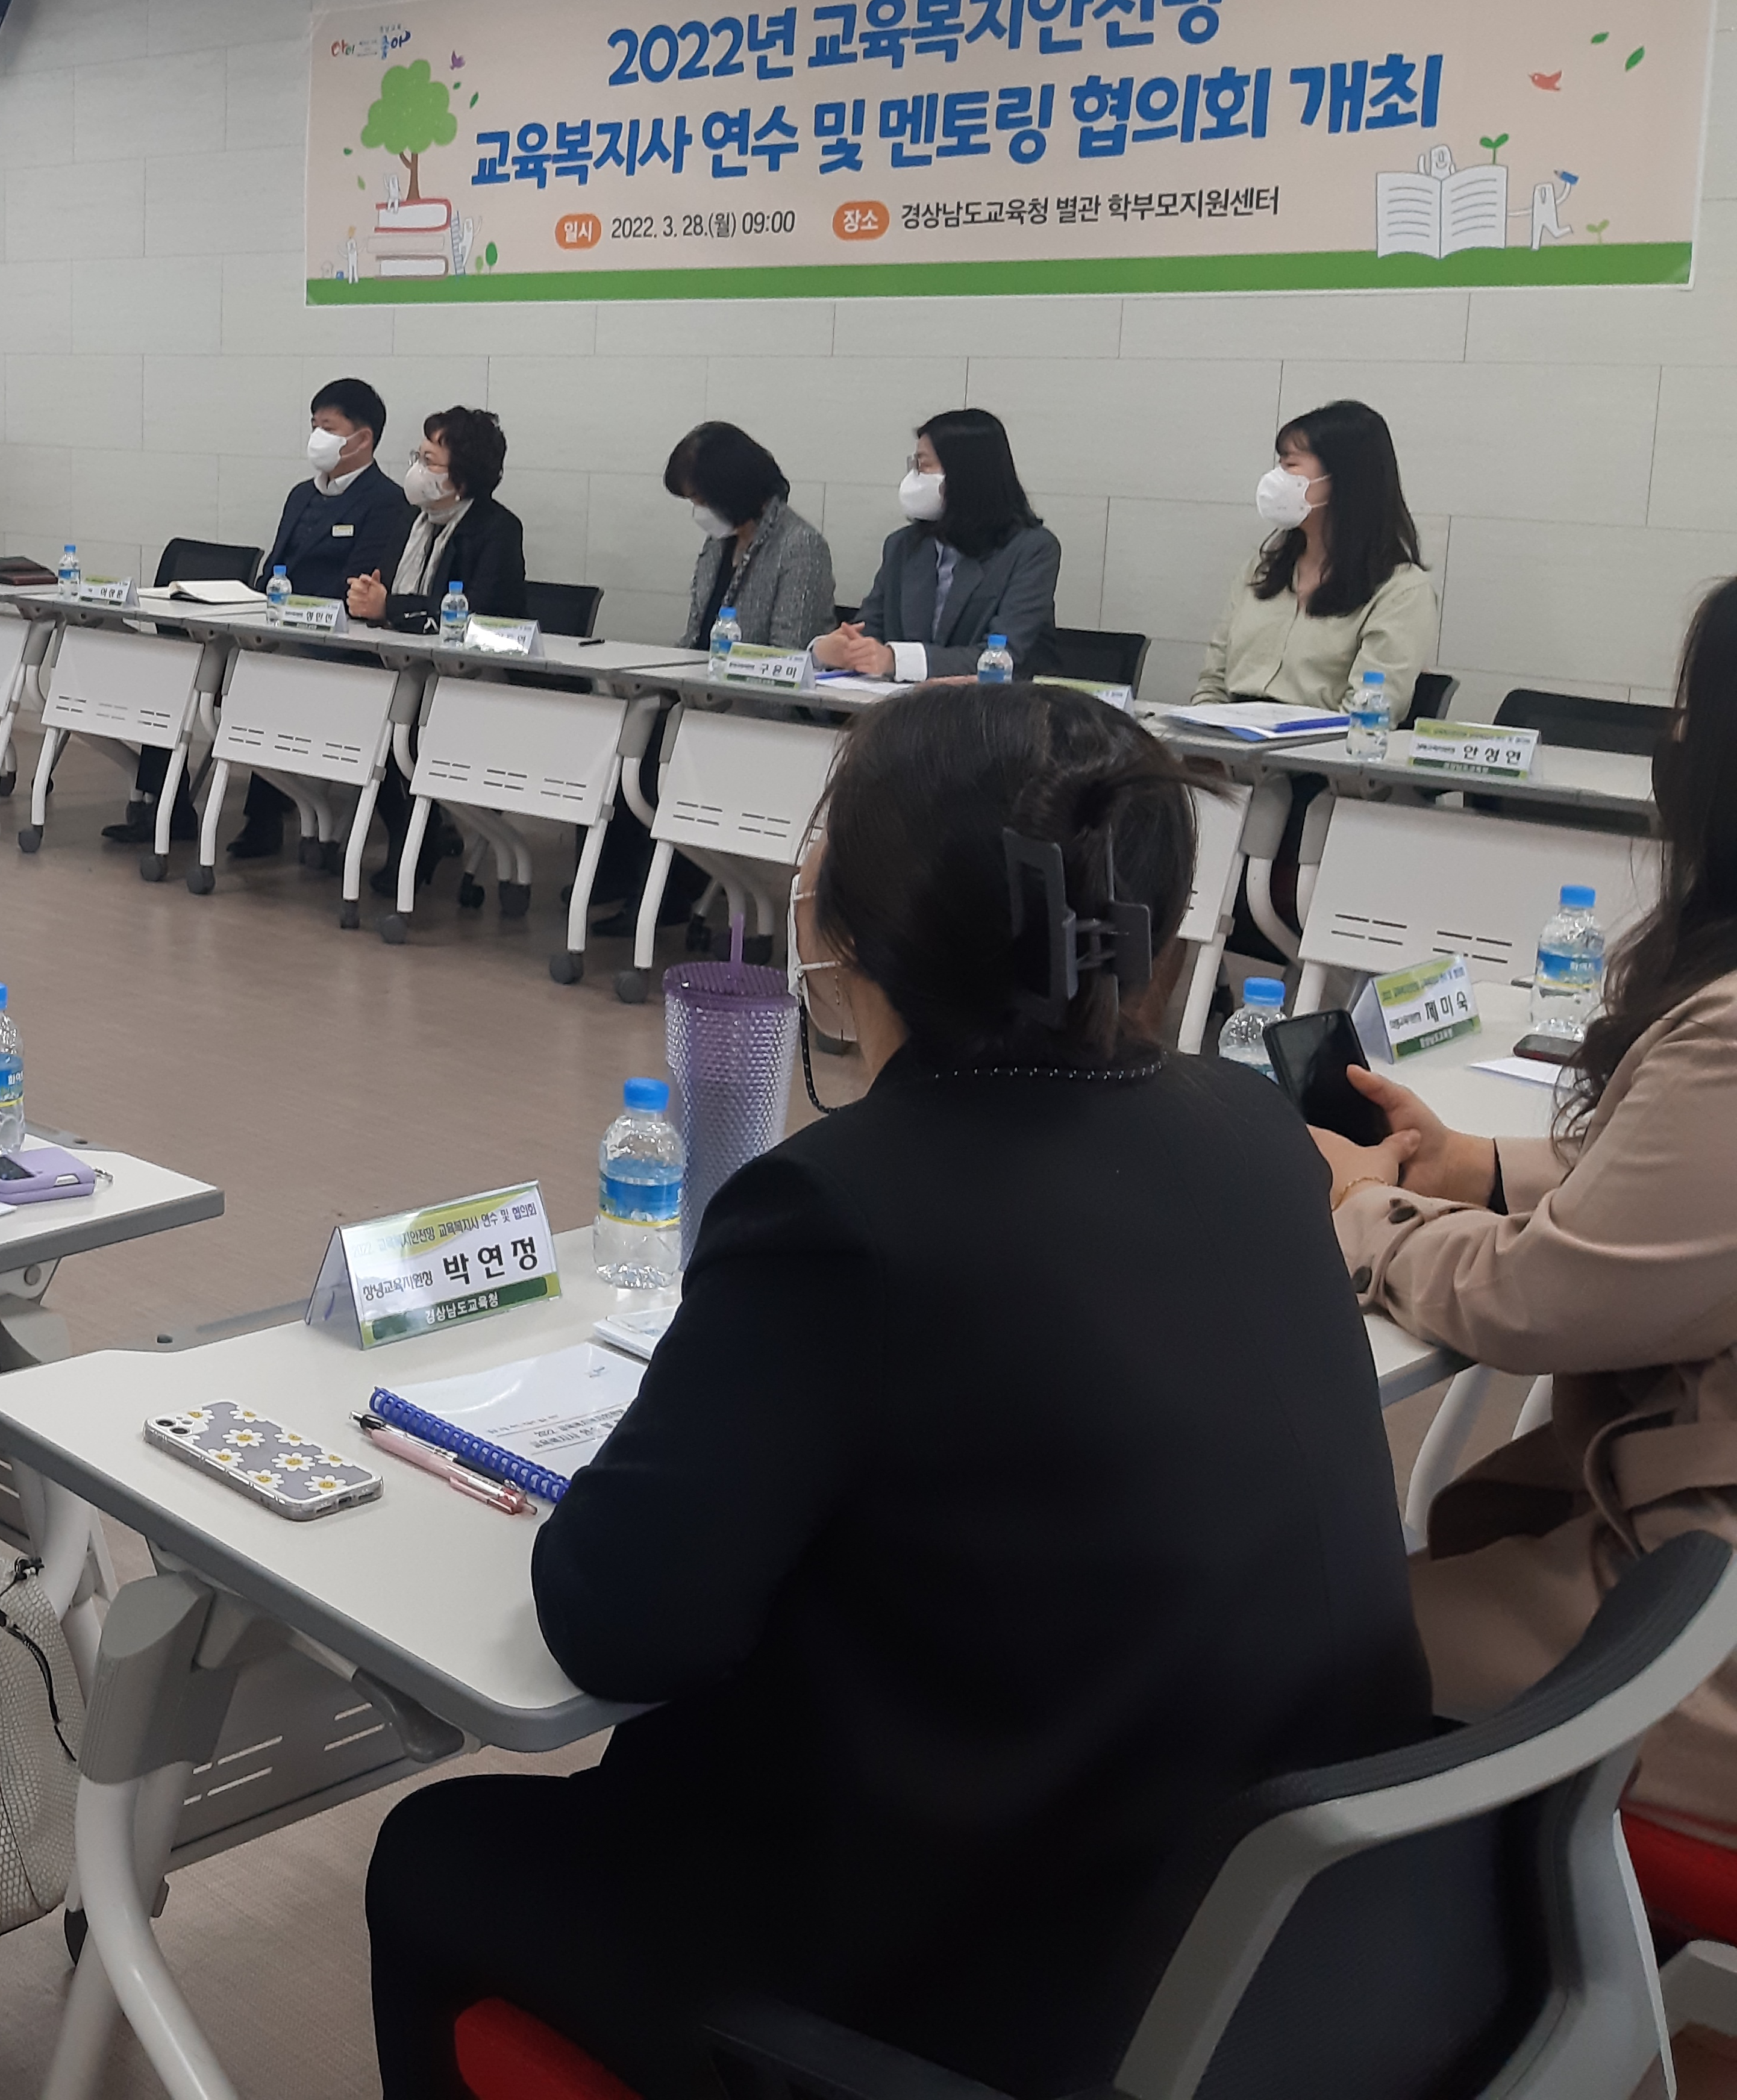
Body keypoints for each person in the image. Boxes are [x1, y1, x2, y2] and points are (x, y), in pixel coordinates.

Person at [368, 686, 1427, 2100]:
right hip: (1285, 1932)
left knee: (437, 1857)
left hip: (983, 1984)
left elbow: (616, 1620)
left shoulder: (839, 1207)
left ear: (836, 921)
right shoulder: (1248, 1123)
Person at [1315, 577, 1737, 1836]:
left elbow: (1536, 1302)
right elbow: (1693, 1191)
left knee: (1269, 1642)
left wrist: (1368, 1215)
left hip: (1700, 1623)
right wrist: (1480, 1170)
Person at [107, 377, 413, 854]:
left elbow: (361, 586)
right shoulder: (301, 494)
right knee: (180, 665)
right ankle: (165, 806)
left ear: (363, 438)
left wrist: (289, 609)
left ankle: (264, 818)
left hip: (335, 645)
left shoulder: (387, 503)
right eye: (314, 426)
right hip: (275, 629)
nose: (317, 438)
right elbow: (276, 568)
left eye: (328, 428)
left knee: (264, 671)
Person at [1192, 399, 1438, 712]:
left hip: (1316, 754)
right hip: (1229, 746)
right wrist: (1203, 744)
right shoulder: (1263, 569)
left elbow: (1367, 713)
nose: (1276, 479)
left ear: (1343, 480)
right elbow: (1212, 681)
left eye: (1291, 465)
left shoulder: (1400, 591)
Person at [812, 408, 1058, 681]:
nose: (914, 477)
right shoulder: (902, 546)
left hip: (994, 713)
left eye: (924, 465)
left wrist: (896, 660)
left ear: (965, 474)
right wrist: (829, 650)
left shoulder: (1032, 549)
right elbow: (869, 629)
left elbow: (1004, 655)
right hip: (903, 710)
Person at [346, 407, 524, 629]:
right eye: (417, 458)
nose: (417, 470)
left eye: (428, 462)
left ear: (462, 479)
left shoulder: (497, 529)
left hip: (462, 661)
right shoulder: (411, 518)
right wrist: (365, 595)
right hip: (395, 650)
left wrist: (388, 606)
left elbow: (478, 614)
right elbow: (382, 585)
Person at [663, 419, 833, 651]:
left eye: (700, 498)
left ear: (729, 490)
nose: (698, 509)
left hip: (745, 686)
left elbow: (789, 653)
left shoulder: (801, 547)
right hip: (700, 681)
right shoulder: (718, 543)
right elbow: (695, 636)